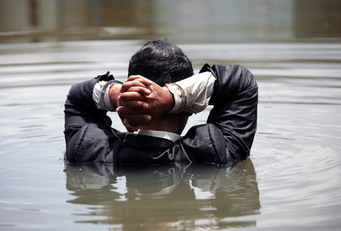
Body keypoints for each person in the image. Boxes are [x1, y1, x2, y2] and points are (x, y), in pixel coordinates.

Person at [64, 39, 258, 166]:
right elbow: (242, 83)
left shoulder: (86, 150)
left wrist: (120, 95)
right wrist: (172, 96)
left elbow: (77, 98)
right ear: (189, 107)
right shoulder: (213, 151)